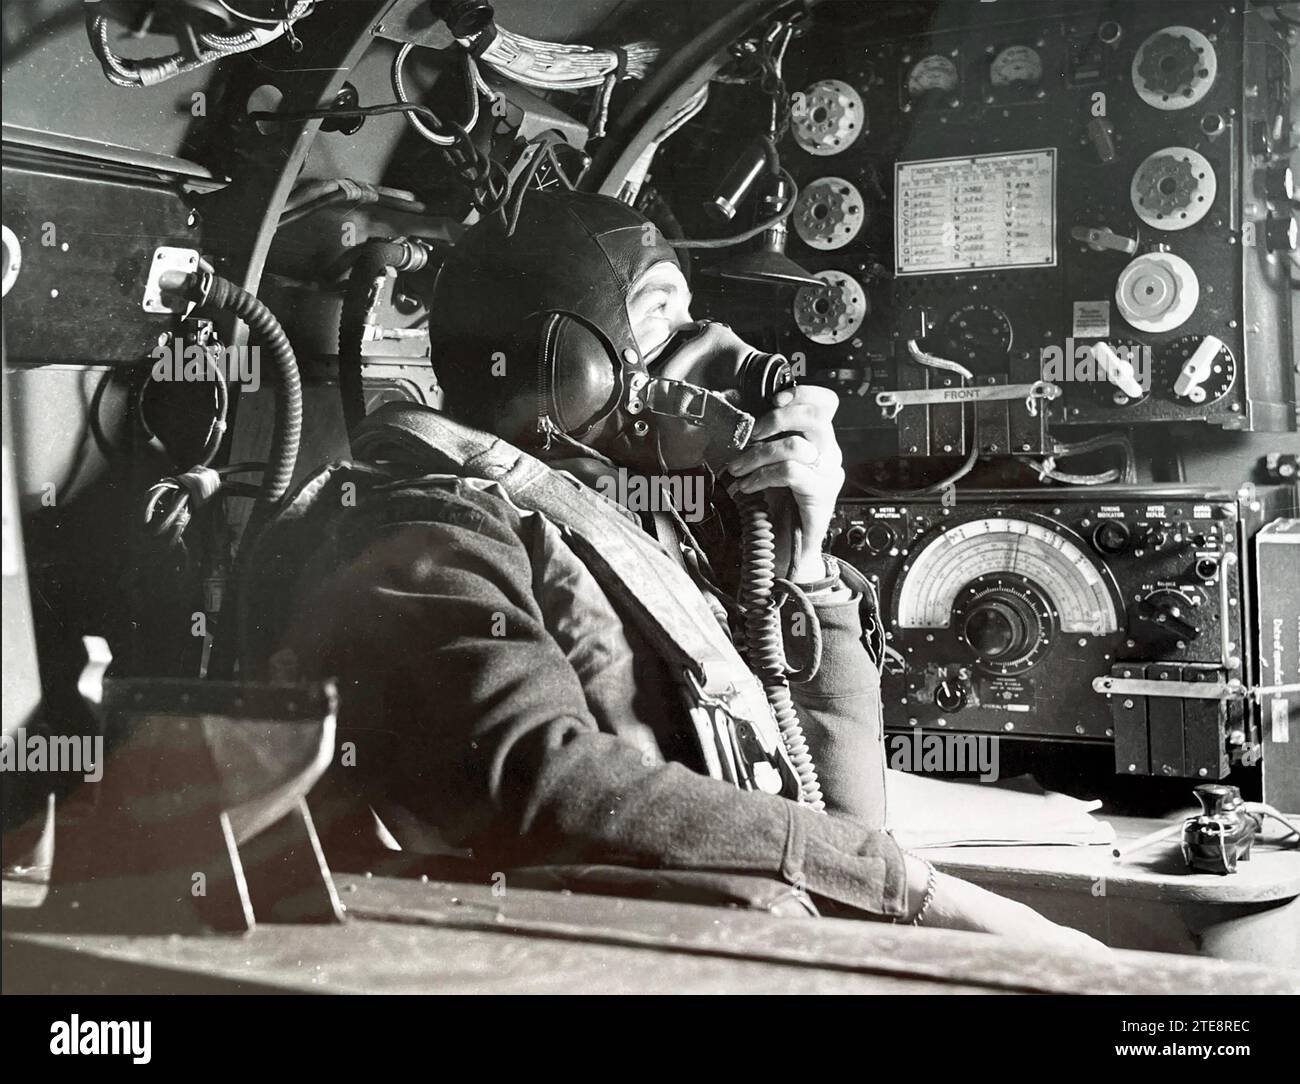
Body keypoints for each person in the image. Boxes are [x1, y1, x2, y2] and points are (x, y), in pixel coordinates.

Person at [272, 189, 1101, 949]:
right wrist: (917, 893)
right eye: (662, 314)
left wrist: (808, 562)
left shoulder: (630, 522)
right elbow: (545, 781)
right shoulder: (429, 524)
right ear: (568, 366)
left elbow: (837, 818)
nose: (715, 349)